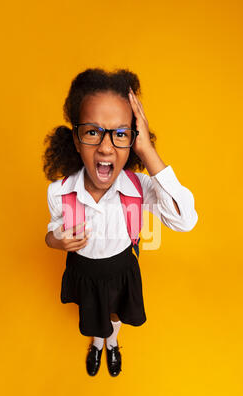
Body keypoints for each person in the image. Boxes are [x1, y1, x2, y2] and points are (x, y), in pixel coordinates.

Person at [43, 68, 198, 377]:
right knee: (92, 317)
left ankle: (112, 344)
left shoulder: (138, 187)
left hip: (121, 268)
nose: (105, 146)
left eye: (122, 133)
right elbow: (50, 231)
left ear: (134, 140)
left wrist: (149, 152)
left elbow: (185, 220)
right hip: (84, 270)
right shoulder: (60, 192)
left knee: (114, 315)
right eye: (92, 131)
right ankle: (97, 344)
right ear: (75, 139)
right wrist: (58, 241)